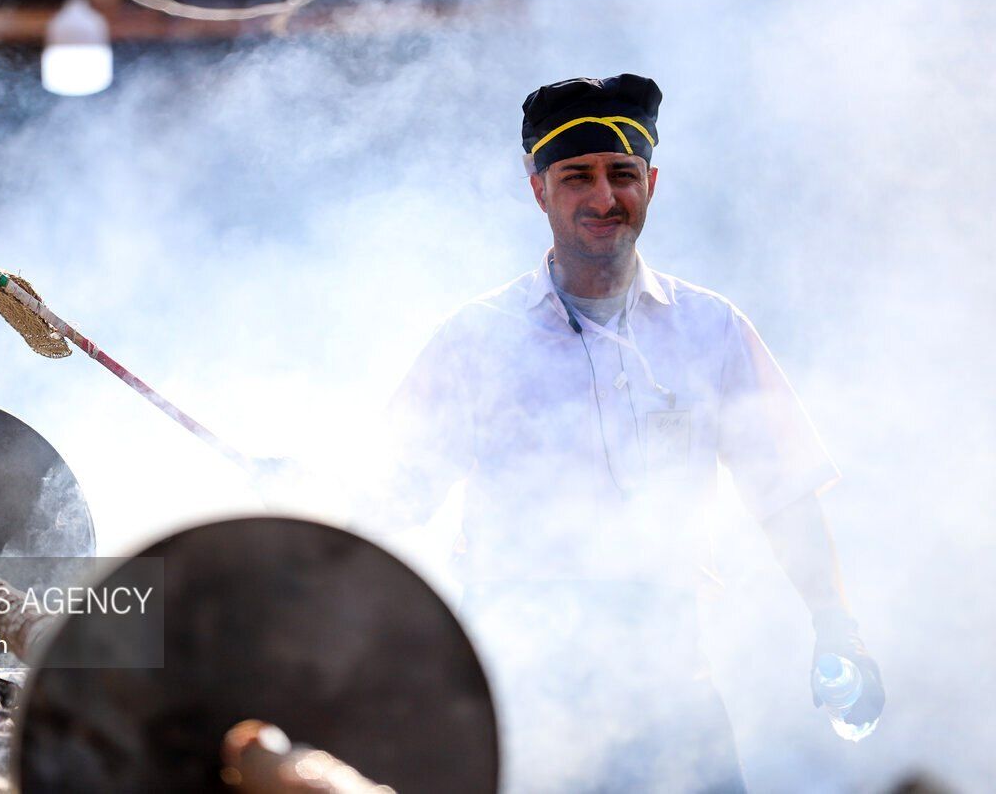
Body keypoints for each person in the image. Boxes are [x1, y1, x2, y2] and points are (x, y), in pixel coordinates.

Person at [378, 74, 885, 791]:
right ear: (538, 189)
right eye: (576, 175)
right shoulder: (478, 338)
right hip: (514, 688)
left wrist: (837, 626)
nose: (603, 197)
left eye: (621, 174)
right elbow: (391, 494)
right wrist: (299, 494)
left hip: (671, 682)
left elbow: (785, 495)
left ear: (650, 181)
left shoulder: (711, 327)